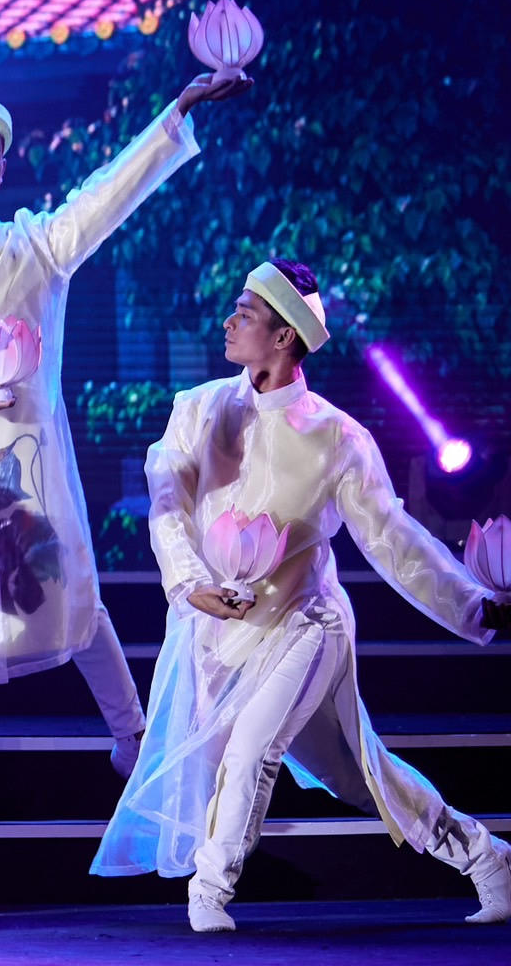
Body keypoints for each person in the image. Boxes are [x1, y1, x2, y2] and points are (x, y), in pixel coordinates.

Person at [0, 73, 249, 823]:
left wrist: (177, 111)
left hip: (20, 457)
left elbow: (106, 195)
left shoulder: (34, 244)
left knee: (71, 593)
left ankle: (132, 739)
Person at [92, 260, 511, 930]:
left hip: (305, 624)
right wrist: (192, 585)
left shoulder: (337, 438)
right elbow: (167, 509)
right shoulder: (196, 411)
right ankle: (486, 856)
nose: (228, 322)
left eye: (245, 313)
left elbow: (394, 540)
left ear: (284, 335)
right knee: (356, 775)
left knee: (251, 750)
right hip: (221, 633)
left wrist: (473, 605)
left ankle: (211, 890)